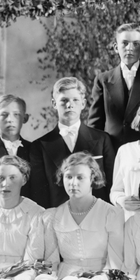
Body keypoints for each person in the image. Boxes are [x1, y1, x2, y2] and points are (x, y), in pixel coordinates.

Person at [31, 77, 115, 209]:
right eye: (64, 100)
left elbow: (111, 183)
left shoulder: (102, 139)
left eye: (75, 100)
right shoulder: (39, 145)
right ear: (54, 103)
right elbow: (39, 190)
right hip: (57, 215)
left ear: (83, 103)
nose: (69, 105)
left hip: (96, 213)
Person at [86, 22, 140, 147]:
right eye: (125, 43)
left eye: (136, 44)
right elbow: (95, 123)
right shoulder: (103, 80)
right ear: (116, 47)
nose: (129, 48)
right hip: (111, 149)